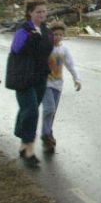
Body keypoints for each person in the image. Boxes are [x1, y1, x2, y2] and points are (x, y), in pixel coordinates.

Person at [5, 0, 54, 167]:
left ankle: (22, 142)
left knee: (27, 110)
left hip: (40, 77)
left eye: (44, 11)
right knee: (31, 110)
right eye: (38, 11)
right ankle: (29, 151)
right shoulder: (23, 29)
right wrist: (31, 39)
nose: (42, 14)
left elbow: (47, 52)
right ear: (30, 13)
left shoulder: (47, 30)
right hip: (23, 77)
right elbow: (16, 49)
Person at [40, 21, 82, 154]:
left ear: (63, 35)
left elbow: (71, 65)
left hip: (58, 85)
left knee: (52, 112)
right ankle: (45, 134)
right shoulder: (46, 48)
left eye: (60, 35)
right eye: (54, 34)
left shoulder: (64, 49)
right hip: (45, 84)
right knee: (49, 108)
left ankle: (48, 134)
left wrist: (77, 79)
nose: (57, 37)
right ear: (50, 35)